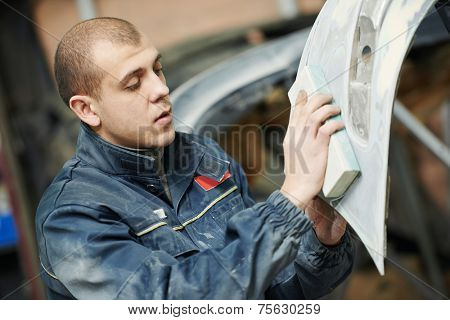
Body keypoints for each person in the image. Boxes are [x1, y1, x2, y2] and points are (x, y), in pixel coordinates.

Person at [35, 17, 354, 299]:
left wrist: (321, 232)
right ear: (87, 109)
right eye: (133, 84)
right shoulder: (70, 219)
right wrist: (292, 195)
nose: (160, 89)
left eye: (157, 69)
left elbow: (272, 292)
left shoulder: (203, 157)